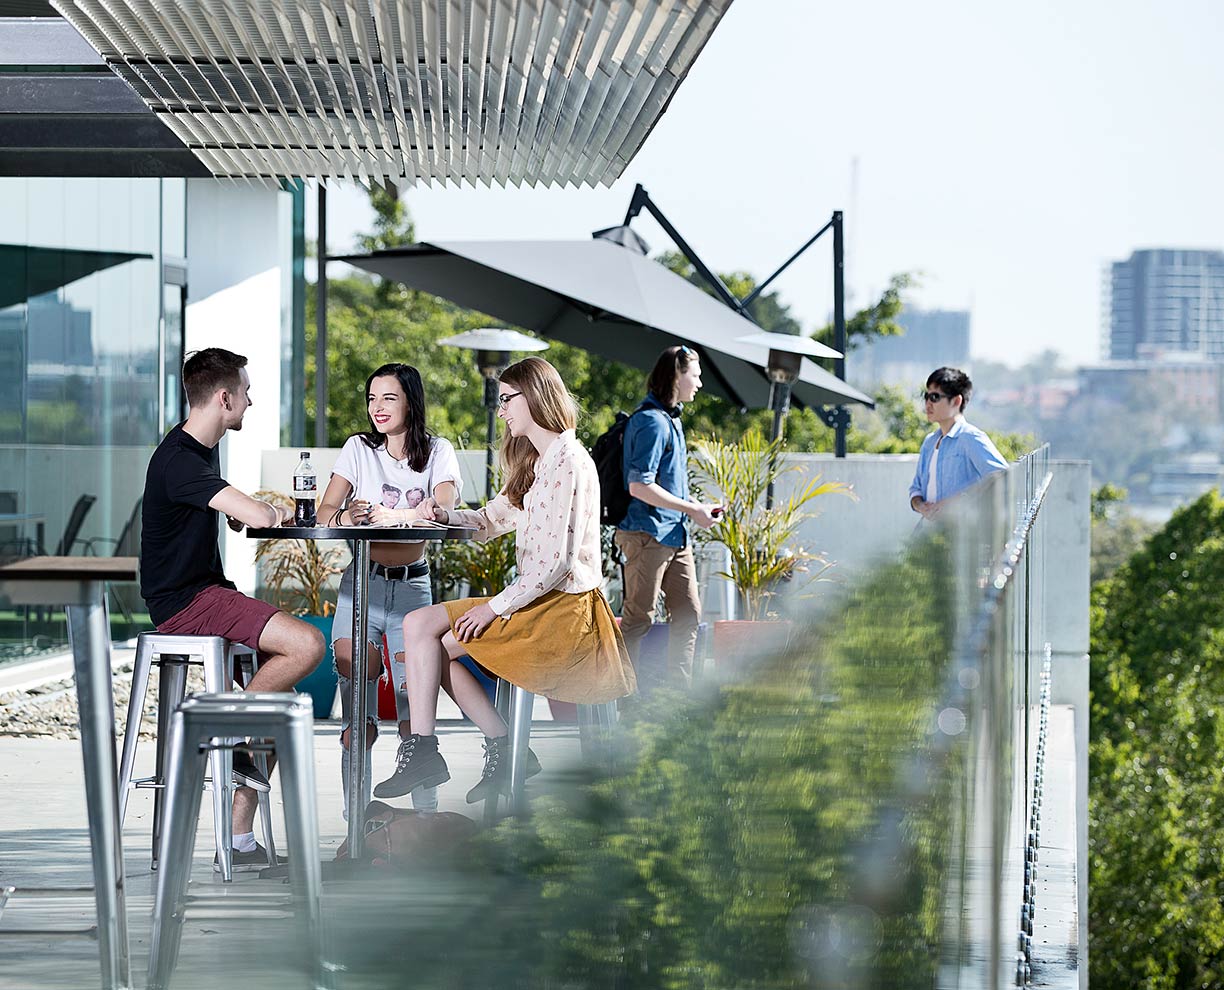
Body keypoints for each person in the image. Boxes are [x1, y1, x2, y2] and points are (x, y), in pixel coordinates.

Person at [370, 356, 637, 802]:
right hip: (538, 601)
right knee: (421, 639)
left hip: (562, 610)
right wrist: (444, 515)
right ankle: (468, 747)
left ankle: (466, 748)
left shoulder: (569, 462)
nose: (502, 411)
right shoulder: (540, 461)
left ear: (534, 397)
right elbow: (493, 518)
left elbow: (557, 564)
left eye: (507, 400)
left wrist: (491, 607)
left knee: (422, 635)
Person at [140, 347, 325, 871]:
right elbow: (256, 512)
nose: (251, 399)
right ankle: (233, 735)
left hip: (205, 593)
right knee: (307, 643)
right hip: (186, 602)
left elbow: (227, 513)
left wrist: (248, 514)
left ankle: (240, 841)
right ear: (223, 398)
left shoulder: (200, 454)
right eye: (245, 391)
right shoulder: (180, 459)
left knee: (275, 697)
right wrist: (266, 510)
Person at [316, 363, 463, 820]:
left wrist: (427, 508)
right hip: (361, 584)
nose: (377, 408)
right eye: (372, 398)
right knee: (356, 713)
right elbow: (324, 512)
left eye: (389, 398)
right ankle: (355, 822)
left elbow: (446, 502)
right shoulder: (358, 449)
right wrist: (349, 518)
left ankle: (425, 822)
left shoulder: (437, 450)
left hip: (412, 593)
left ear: (410, 402)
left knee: (411, 713)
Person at [614, 345, 722, 690]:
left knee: (688, 614)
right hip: (647, 535)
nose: (700, 383)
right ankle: (621, 700)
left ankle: (676, 701)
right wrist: (692, 510)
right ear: (677, 375)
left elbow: (662, 484)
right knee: (637, 620)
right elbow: (638, 485)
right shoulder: (650, 422)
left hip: (674, 536)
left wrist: (696, 507)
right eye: (696, 375)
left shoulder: (670, 420)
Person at [908, 366, 1008, 519]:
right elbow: (916, 489)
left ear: (956, 401)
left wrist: (956, 501)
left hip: (962, 537)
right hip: (927, 535)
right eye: (926, 396)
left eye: (934, 397)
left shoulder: (970, 437)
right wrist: (921, 506)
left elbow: (1002, 478)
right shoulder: (929, 442)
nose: (928, 403)